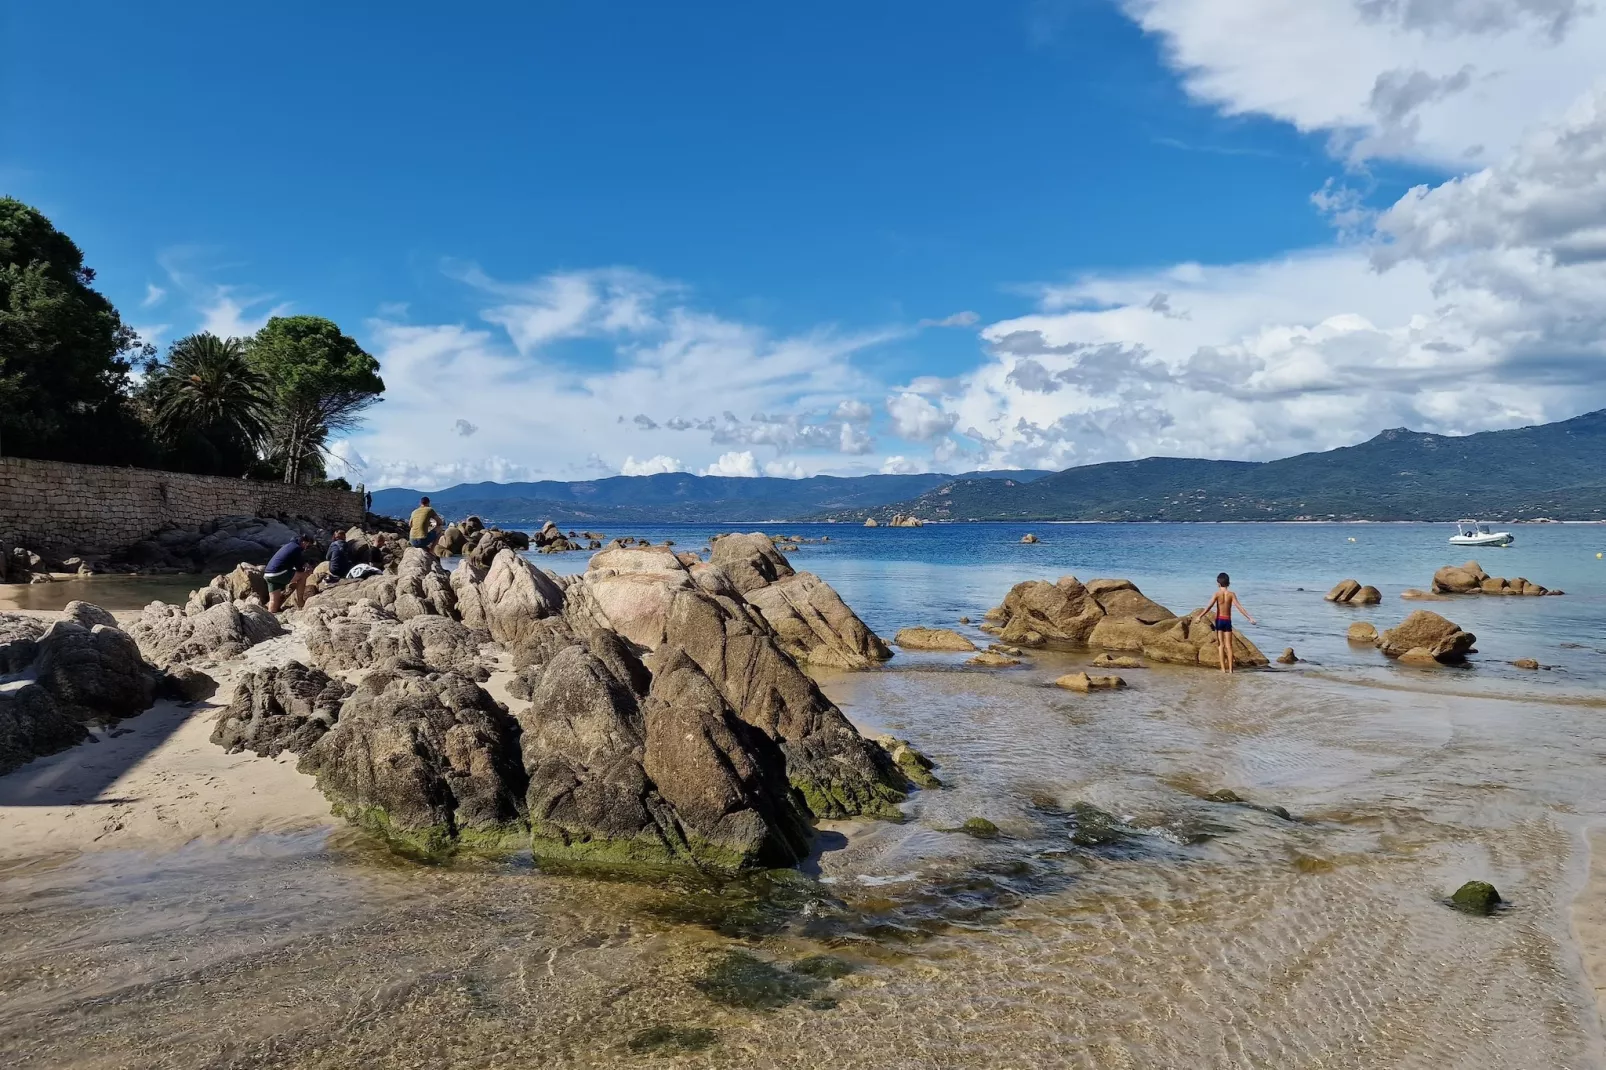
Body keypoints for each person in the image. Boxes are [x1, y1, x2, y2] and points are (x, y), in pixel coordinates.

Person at [1194, 571, 1257, 673]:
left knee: (1221, 645)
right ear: (1228, 583)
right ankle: (1231, 670)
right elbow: (1239, 607)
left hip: (1219, 620)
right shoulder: (1231, 594)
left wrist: (1199, 616)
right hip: (1227, 620)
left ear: (1218, 583)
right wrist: (1249, 617)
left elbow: (1209, 607)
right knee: (1229, 646)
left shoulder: (1217, 594)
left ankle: (1223, 669)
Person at [265, 534, 317, 612]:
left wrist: (302, 565)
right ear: (303, 542)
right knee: (303, 575)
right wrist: (307, 569)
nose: (307, 547)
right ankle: (300, 602)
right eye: (308, 544)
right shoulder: (297, 548)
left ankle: (270, 616)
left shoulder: (289, 546)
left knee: (274, 600)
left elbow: (293, 562)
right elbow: (299, 567)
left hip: (268, 574)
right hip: (278, 573)